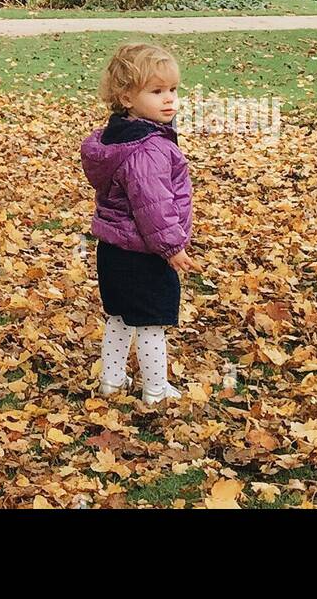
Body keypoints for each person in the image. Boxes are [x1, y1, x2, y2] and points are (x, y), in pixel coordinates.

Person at [80, 42, 195, 404]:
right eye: (157, 91)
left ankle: (112, 381)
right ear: (127, 97)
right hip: (144, 252)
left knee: (119, 316)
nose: (169, 100)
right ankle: (156, 390)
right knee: (150, 323)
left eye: (173, 90)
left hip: (113, 250)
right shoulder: (149, 148)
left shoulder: (118, 138)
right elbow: (153, 205)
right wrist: (172, 248)